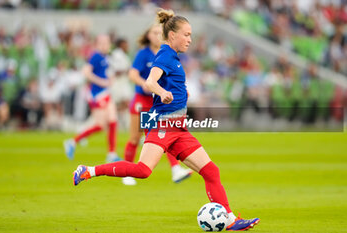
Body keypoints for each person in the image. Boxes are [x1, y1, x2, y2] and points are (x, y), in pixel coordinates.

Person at [72, 10, 260, 231]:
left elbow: (171, 84)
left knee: (211, 171)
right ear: (172, 36)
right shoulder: (164, 56)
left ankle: (229, 219)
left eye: (191, 35)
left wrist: (181, 94)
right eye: (186, 35)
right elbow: (150, 82)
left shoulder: (172, 57)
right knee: (143, 170)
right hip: (163, 124)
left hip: (178, 128)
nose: (190, 39)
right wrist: (162, 92)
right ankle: (89, 170)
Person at [122, 24, 192, 185]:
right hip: (144, 101)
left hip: (159, 103)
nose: (157, 35)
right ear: (148, 35)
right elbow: (132, 74)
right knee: (135, 138)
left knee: (165, 133)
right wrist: (145, 85)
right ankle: (127, 172)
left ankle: (175, 169)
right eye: (154, 33)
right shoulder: (143, 54)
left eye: (159, 33)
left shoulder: (166, 53)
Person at [64, 35, 121, 163]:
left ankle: (111, 154)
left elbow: (105, 73)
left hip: (105, 92)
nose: (105, 45)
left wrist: (110, 79)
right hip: (97, 94)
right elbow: (86, 72)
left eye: (107, 42)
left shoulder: (106, 57)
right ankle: (72, 141)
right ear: (97, 44)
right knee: (100, 125)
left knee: (113, 121)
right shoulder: (95, 56)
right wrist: (102, 82)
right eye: (102, 43)